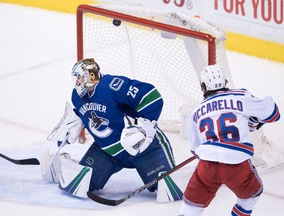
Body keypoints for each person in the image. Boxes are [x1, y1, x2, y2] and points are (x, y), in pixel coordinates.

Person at [43, 58, 178, 200]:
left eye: (80, 77)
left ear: (91, 75)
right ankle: (61, 164)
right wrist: (77, 120)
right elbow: (86, 113)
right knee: (79, 185)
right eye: (76, 78)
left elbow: (151, 96)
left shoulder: (111, 87)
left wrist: (147, 126)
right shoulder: (76, 97)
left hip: (143, 147)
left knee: (169, 189)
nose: (77, 82)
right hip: (107, 152)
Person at [177, 65, 280, 216]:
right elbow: (273, 113)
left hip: (207, 167)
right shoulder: (240, 96)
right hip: (237, 164)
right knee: (251, 197)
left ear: (204, 86)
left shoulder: (196, 112)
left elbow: (195, 149)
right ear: (225, 82)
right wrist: (255, 122)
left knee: (190, 208)